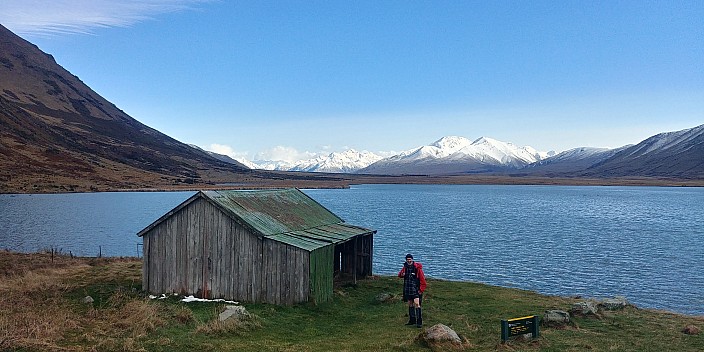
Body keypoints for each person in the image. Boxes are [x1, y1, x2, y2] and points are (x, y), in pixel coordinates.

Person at [398, 253, 426, 328]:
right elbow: (399, 275)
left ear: (412, 259)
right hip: (407, 288)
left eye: (410, 259)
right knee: (410, 304)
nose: (409, 261)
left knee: (417, 304)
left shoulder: (417, 268)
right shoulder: (405, 267)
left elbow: (423, 280)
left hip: (415, 289)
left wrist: (421, 290)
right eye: (407, 260)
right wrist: (402, 274)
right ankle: (412, 320)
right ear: (406, 260)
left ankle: (419, 322)